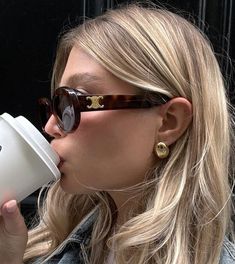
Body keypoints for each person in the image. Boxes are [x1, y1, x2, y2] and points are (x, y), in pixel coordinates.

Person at [0, 3, 235, 264]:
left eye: (74, 102)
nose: (50, 127)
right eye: (55, 105)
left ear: (168, 122)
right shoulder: (45, 247)